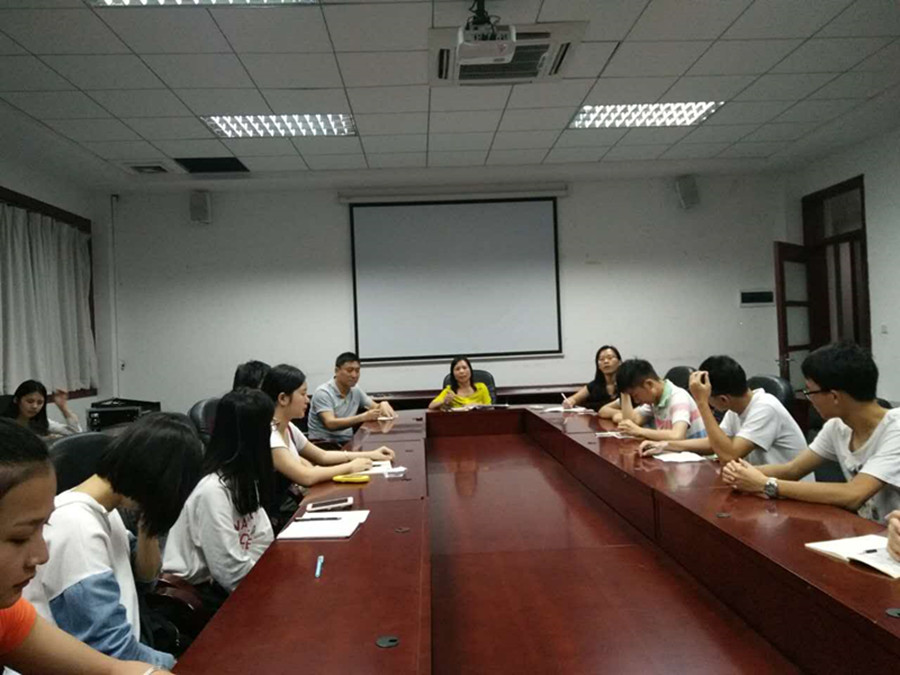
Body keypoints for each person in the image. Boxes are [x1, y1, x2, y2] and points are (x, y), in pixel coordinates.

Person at [23, 413, 203, 669]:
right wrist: (176, 665)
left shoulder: (107, 512)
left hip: (130, 651)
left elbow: (146, 580)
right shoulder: (76, 527)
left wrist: (149, 523)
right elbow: (111, 650)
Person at [0, 419, 170, 674]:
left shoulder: (6, 614)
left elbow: (113, 669)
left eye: (44, 526)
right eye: (20, 538)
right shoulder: (77, 524)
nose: (42, 555)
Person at [723, 342, 900, 523]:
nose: (809, 398)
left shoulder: (896, 429)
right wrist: (743, 473)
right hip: (867, 532)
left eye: (810, 391)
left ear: (834, 397)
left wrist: (766, 484)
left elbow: (853, 494)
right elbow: (792, 469)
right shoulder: (837, 427)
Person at [163, 389, 275, 605]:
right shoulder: (212, 491)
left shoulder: (243, 480)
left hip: (232, 585)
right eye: (269, 426)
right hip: (197, 596)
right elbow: (229, 572)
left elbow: (262, 539)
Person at [640, 355, 807, 468]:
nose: (709, 404)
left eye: (709, 400)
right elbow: (713, 444)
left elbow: (729, 455)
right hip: (761, 485)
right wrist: (665, 445)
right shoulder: (736, 409)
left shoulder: (765, 407)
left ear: (723, 400)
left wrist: (701, 403)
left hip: (790, 493)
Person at [262, 364, 395, 489]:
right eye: (302, 394)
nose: (307, 400)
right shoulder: (270, 435)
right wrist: (350, 467)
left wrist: (372, 454)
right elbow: (306, 477)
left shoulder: (289, 427)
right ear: (283, 398)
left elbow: (323, 456)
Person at [605, 359, 706, 441]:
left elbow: (677, 436)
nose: (636, 401)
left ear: (649, 384)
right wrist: (624, 393)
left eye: (636, 395)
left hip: (697, 457)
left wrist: (640, 431)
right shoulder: (655, 400)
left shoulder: (678, 397)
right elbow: (632, 421)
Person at [306, 352, 395, 444]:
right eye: (349, 370)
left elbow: (375, 408)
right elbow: (330, 423)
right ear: (336, 371)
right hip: (324, 444)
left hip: (347, 441)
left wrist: (383, 404)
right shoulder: (323, 393)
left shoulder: (355, 390)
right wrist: (363, 417)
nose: (354, 375)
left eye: (357, 371)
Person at [3, 380, 82, 440]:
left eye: (40, 402)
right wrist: (41, 440)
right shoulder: (4, 423)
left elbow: (76, 434)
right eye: (30, 401)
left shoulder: (41, 422)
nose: (35, 406)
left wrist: (63, 408)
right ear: (16, 400)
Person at [563, 345, 621, 411]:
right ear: (598, 366)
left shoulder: (626, 384)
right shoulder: (594, 385)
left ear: (619, 362)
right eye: (601, 359)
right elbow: (573, 399)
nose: (606, 361)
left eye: (610, 358)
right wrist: (569, 402)